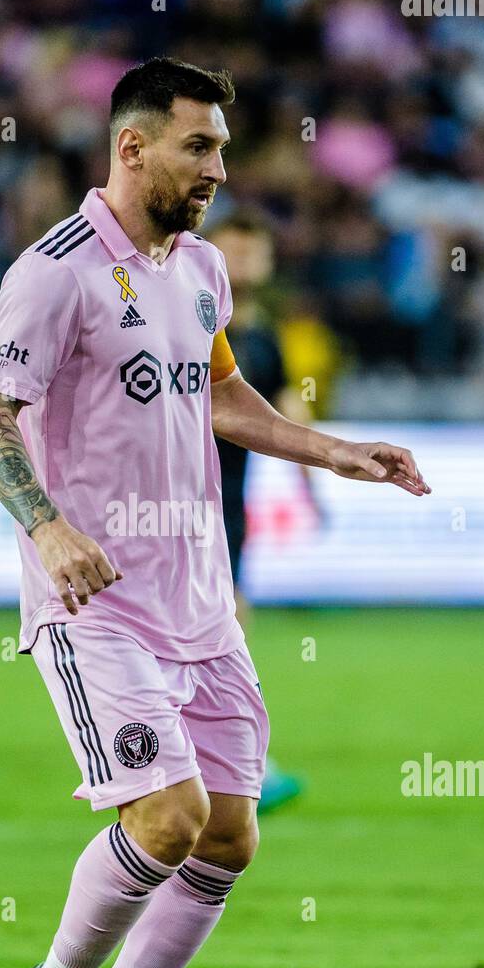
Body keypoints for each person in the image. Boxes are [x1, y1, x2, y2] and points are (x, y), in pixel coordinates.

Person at [0, 57, 430, 968]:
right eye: (199, 146)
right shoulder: (55, 271)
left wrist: (330, 450)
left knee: (227, 832)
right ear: (132, 148)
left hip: (200, 601)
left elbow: (218, 391)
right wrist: (47, 527)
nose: (219, 166)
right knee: (165, 816)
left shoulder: (201, 269)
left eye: (220, 146)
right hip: (98, 601)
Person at [208, 210, 310, 814]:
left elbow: (289, 410)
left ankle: (224, 760)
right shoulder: (188, 318)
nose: (243, 264)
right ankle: (245, 764)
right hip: (172, 502)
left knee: (224, 625)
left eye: (253, 252)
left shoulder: (268, 336)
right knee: (227, 623)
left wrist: (312, 474)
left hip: (232, 501)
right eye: (233, 251)